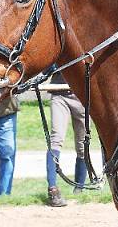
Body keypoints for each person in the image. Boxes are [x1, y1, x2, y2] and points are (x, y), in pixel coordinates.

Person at [45, 72, 87, 207]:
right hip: (59, 93)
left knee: (82, 144)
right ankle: (52, 189)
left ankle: (79, 188)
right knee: (56, 139)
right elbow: (46, 67)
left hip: (81, 95)